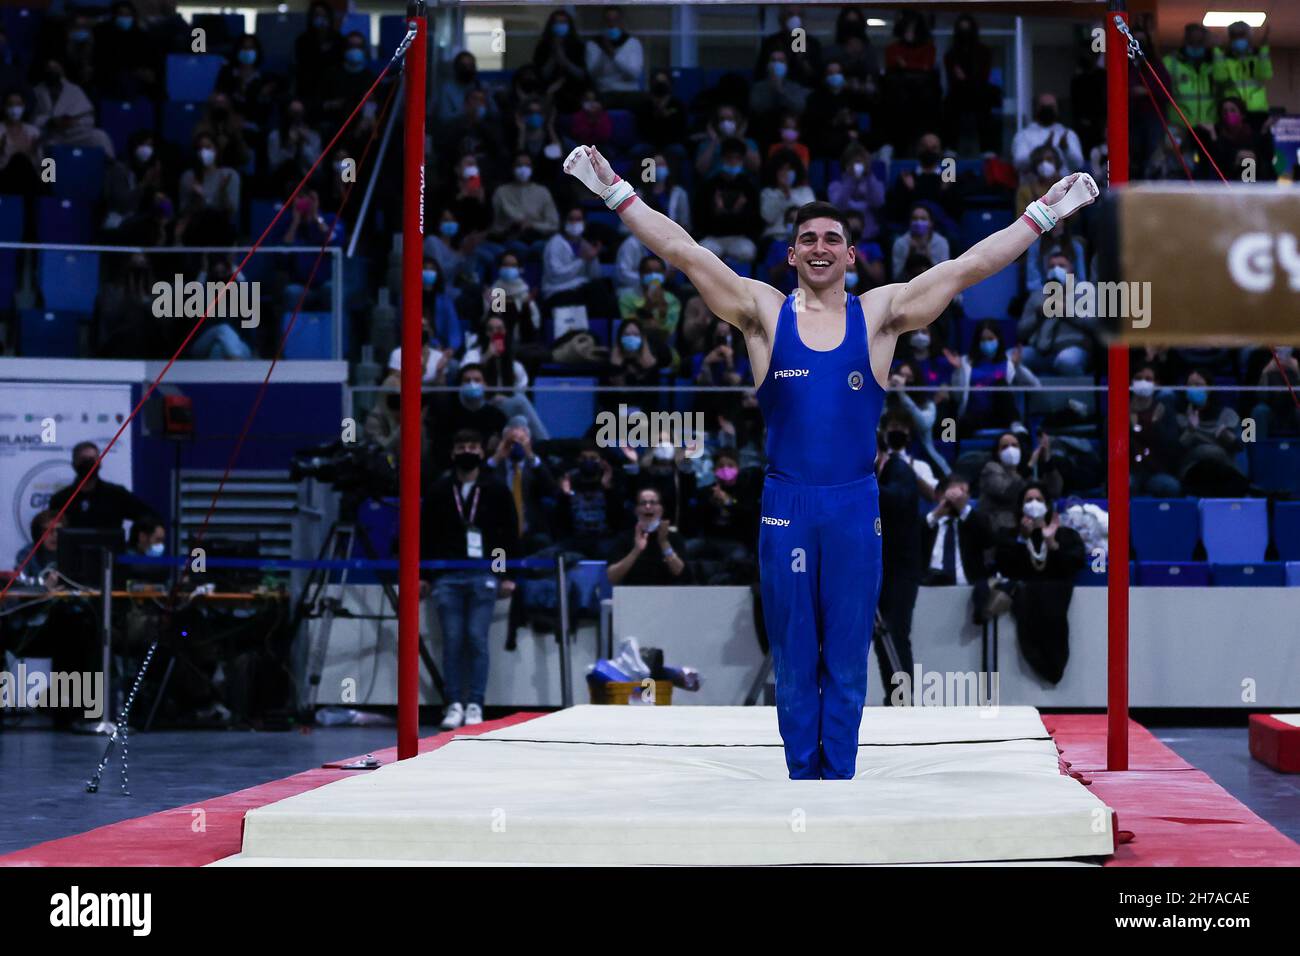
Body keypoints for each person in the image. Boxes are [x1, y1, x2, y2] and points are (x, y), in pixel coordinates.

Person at [565, 142, 1096, 778]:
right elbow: (683, 252)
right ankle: (801, 786)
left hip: (852, 507)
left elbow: (966, 269)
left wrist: (1041, 215)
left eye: (832, 238)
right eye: (808, 238)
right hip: (786, 504)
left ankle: (837, 785)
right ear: (792, 254)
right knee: (794, 655)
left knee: (845, 655)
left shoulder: (878, 316)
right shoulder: (763, 312)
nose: (820, 247)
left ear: (850, 254)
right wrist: (616, 192)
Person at [419, 429, 519, 730]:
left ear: (482, 452)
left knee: (476, 639)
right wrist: (424, 574)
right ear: (453, 453)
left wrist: (506, 574)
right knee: (452, 641)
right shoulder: (439, 489)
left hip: (483, 573)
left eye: (473, 446)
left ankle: (475, 702)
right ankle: (453, 703)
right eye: (461, 446)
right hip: (447, 576)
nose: (467, 451)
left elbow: (508, 534)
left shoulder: (496, 488)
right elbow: (426, 534)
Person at [994, 482, 1086, 685]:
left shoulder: (1065, 535)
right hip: (1027, 605)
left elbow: (1076, 564)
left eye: (1039, 499)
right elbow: (1006, 568)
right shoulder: (1008, 536)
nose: (1034, 504)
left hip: (1055, 605)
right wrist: (1022, 538)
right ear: (1020, 506)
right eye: (1028, 500)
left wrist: (1053, 544)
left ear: (1047, 505)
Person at [875, 422, 924, 706]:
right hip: (880, 569)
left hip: (901, 571)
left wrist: (864, 482)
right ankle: (893, 698)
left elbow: (897, 500)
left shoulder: (899, 470)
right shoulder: (877, 474)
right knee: (883, 639)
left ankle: (902, 700)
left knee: (895, 633)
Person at [922, 472, 996, 624]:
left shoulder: (974, 521)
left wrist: (963, 509)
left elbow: (989, 540)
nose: (957, 499)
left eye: (963, 494)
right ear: (938, 495)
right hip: (928, 593)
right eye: (953, 493)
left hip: (967, 592)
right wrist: (936, 514)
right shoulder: (928, 523)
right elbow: (909, 541)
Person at [48, 442, 157, 535]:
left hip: (109, 556)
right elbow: (50, 532)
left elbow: (147, 516)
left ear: (99, 463)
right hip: (71, 557)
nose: (88, 463)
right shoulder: (60, 499)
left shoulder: (116, 494)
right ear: (74, 464)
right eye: (83, 459)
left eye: (91, 459)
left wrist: (134, 542)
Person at [606, 486, 689, 586]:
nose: (648, 506)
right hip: (633, 595)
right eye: (643, 503)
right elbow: (612, 577)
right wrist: (636, 550)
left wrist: (664, 542)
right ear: (636, 510)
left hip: (668, 596)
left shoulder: (673, 537)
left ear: (661, 509)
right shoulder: (625, 537)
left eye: (653, 503)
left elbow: (679, 571)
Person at [1213, 20, 1272, 125]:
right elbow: (1220, 77)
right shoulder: (1225, 59)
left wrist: (1264, 49)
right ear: (1230, 39)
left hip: (1257, 112)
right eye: (1235, 36)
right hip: (1233, 112)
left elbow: (1265, 75)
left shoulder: (1257, 57)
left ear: (1249, 37)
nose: (1239, 39)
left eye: (1242, 35)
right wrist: (1217, 51)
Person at [1011, 92, 1085, 175]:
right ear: (1037, 109)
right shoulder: (1024, 135)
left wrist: (1066, 149)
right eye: (1044, 107)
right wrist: (1042, 150)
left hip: (1063, 186)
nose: (1047, 110)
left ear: (1057, 109)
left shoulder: (1068, 134)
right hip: (1032, 186)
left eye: (1051, 107)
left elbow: (1078, 164)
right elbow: (1018, 163)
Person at [584, 5, 644, 102]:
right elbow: (592, 74)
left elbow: (634, 74)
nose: (612, 24)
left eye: (615, 20)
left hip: (629, 92)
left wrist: (614, 56)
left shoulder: (632, 43)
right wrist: (603, 53)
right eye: (608, 20)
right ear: (603, 23)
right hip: (604, 92)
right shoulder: (593, 44)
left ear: (621, 23)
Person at [1163, 24, 1217, 129]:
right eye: (1192, 41)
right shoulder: (1169, 62)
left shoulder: (1215, 62)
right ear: (1185, 40)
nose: (1196, 45)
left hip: (1209, 124)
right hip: (1179, 124)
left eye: (1199, 42)